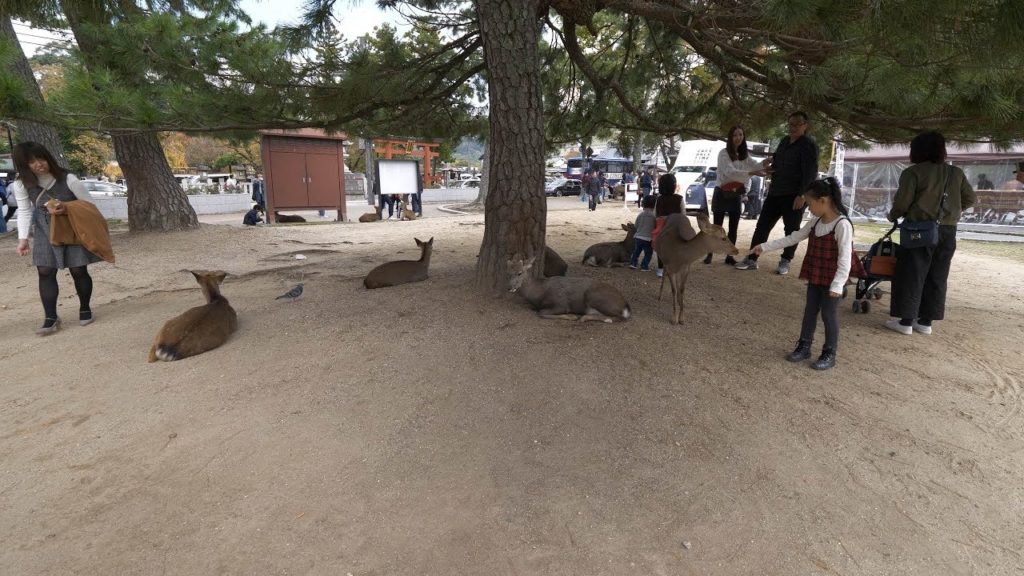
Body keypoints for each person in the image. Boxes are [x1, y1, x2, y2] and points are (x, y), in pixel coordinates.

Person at [749, 178, 860, 370]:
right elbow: (794, 237)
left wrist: (837, 284)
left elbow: (845, 258)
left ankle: (829, 353)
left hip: (833, 278)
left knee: (828, 314)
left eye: (810, 203)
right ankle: (804, 346)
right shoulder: (815, 222)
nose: (809, 208)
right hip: (816, 274)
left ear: (823, 200)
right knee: (810, 311)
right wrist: (764, 247)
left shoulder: (842, 225)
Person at [885, 131, 976, 336]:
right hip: (948, 231)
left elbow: (901, 204)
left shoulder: (913, 172)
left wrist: (893, 216)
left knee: (912, 274)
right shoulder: (956, 173)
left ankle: (906, 321)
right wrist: (951, 211)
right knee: (938, 276)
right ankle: (925, 322)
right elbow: (970, 199)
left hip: (919, 230)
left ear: (917, 150)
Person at [10, 142, 105, 335]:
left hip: (72, 227)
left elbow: (89, 205)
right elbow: (24, 211)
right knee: (45, 271)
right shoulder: (21, 184)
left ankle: (85, 308)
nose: (38, 164)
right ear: (23, 165)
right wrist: (23, 239)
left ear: (48, 157)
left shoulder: (68, 178)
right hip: (45, 230)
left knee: (78, 269)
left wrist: (65, 206)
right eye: (31, 161)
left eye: (41, 158)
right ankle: (50, 317)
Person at [735, 111, 820, 274]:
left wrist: (802, 195)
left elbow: (810, 173)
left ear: (805, 126)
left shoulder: (808, 145)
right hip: (775, 192)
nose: (793, 127)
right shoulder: (784, 141)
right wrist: (769, 167)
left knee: (791, 230)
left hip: (794, 194)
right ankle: (752, 258)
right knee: (762, 226)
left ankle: (785, 260)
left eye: (797, 124)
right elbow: (777, 161)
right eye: (790, 124)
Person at [705, 126, 765, 265]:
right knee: (716, 227)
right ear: (730, 137)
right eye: (735, 135)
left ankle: (729, 256)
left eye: (741, 134)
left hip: (736, 194)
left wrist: (764, 164)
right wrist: (752, 173)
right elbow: (730, 172)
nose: (738, 137)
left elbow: (756, 165)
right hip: (721, 192)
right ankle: (709, 253)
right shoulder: (723, 153)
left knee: (733, 227)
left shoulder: (745, 155)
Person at [654, 172, 682, 278]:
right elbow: (683, 215)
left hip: (661, 228)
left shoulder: (659, 199)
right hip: (675, 229)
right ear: (674, 186)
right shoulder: (679, 199)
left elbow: (655, 215)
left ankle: (660, 268)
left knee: (661, 249)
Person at [629, 195, 657, 271]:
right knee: (648, 253)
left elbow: (636, 225)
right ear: (654, 205)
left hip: (638, 237)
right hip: (648, 238)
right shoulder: (654, 216)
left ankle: (633, 263)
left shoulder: (640, 214)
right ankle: (644, 266)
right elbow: (656, 227)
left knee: (636, 251)